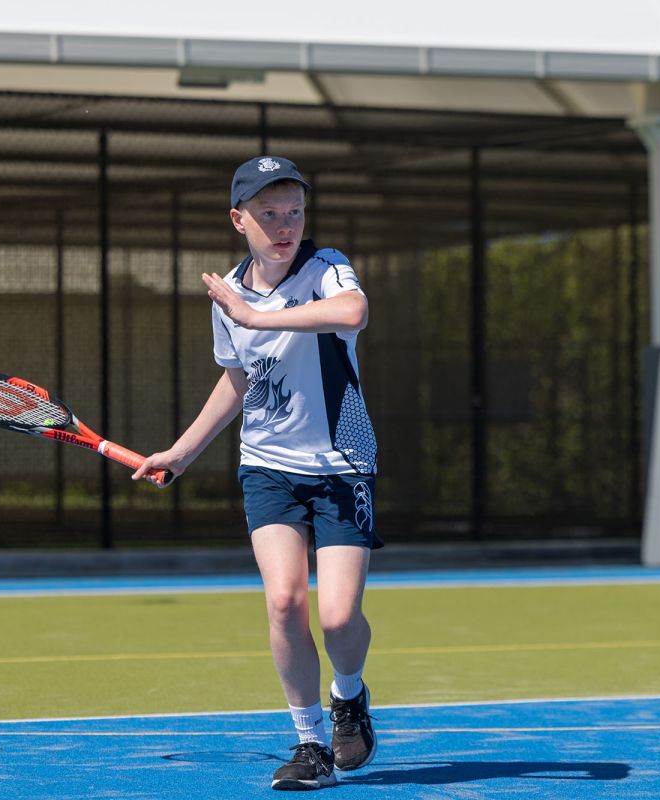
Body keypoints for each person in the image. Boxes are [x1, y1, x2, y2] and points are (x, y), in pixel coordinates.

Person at [133, 155, 379, 791]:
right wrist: (182, 451)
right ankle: (310, 744)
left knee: (337, 618)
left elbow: (352, 314)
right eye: (268, 213)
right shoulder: (230, 295)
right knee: (283, 601)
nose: (284, 224)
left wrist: (258, 318)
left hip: (341, 465)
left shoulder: (326, 269)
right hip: (266, 466)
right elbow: (238, 379)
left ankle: (349, 694)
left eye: (293, 211)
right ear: (239, 219)